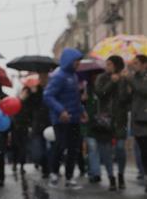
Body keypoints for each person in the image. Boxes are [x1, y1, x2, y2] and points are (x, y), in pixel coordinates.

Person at [43, 48, 87, 189]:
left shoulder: (73, 76)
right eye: (76, 61)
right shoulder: (58, 76)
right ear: (69, 61)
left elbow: (75, 98)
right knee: (60, 146)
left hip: (74, 118)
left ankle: (69, 178)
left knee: (74, 149)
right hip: (60, 120)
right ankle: (54, 173)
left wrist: (82, 111)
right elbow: (48, 96)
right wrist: (61, 111)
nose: (78, 64)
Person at [92, 55, 132, 191]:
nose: (106, 66)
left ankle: (120, 174)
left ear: (117, 65)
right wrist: (112, 82)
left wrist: (123, 83)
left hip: (120, 119)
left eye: (109, 64)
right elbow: (100, 93)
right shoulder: (101, 78)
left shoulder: (124, 79)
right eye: (106, 64)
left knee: (120, 148)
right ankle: (111, 177)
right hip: (105, 120)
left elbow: (125, 99)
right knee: (106, 150)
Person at [128, 54, 147, 194]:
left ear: (144, 64)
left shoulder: (139, 79)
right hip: (137, 120)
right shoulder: (134, 78)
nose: (133, 65)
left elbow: (144, 91)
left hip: (145, 119)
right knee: (143, 152)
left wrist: (130, 81)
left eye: (136, 63)